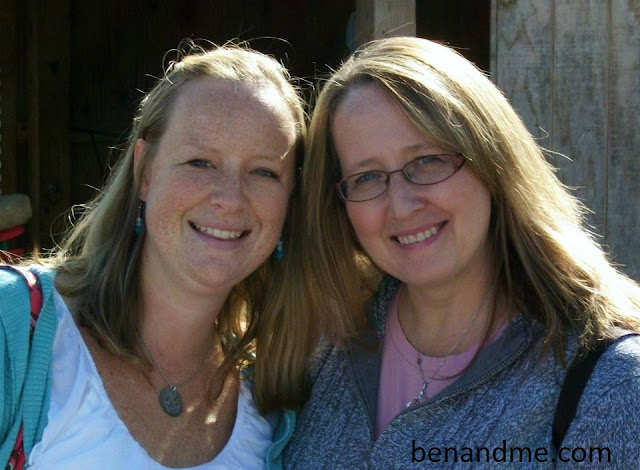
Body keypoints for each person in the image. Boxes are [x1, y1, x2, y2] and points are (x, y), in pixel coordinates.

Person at [282, 37, 640, 468]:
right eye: (367, 177)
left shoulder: (611, 382)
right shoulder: (325, 348)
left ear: (493, 161)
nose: (401, 205)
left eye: (427, 160)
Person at [0, 42, 306, 469]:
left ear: (290, 201)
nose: (231, 198)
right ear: (144, 172)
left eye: (263, 172)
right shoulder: (15, 327)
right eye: (200, 162)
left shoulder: (276, 405)